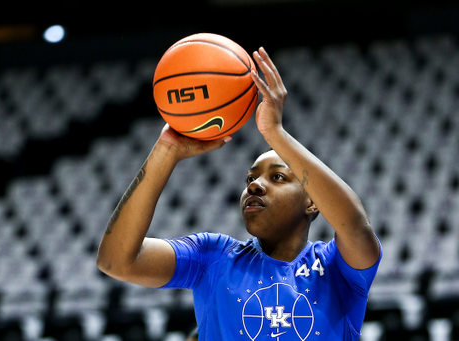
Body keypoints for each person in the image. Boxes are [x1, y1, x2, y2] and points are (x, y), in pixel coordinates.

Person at [96, 47, 382, 340]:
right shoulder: (213, 257)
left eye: (278, 177)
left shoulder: (336, 268)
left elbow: (356, 227)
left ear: (312, 202)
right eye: (250, 178)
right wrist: (166, 150)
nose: (255, 185)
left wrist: (275, 134)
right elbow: (115, 261)